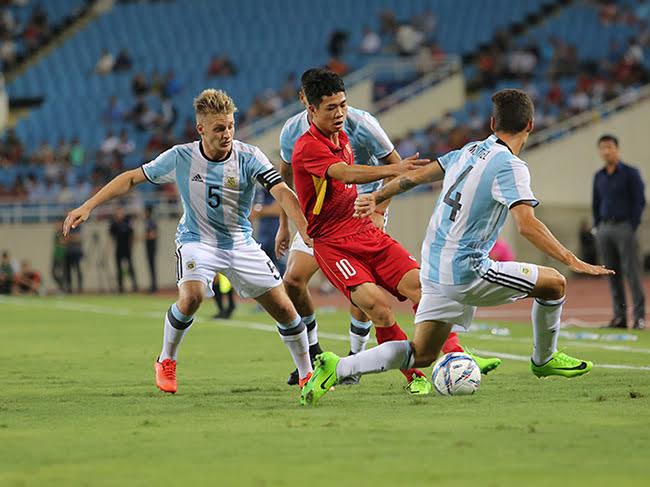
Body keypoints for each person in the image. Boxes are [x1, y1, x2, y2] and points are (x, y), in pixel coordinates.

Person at [302, 88, 613, 406]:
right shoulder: (511, 166)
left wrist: (376, 197)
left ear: (492, 123)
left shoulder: (468, 151)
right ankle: (544, 359)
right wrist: (571, 259)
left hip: (434, 267)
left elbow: (417, 177)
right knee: (555, 283)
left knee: (423, 353)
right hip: (466, 269)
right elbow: (526, 225)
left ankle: (338, 367)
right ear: (530, 125)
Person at [63, 88, 314, 394]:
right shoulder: (181, 157)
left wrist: (303, 226)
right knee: (192, 296)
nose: (227, 134)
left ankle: (307, 373)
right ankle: (166, 359)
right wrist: (88, 206)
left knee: (285, 310)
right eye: (219, 128)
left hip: (240, 243)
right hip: (197, 241)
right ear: (201, 129)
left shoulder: (249, 156)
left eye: (230, 126)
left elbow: (282, 192)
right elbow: (131, 178)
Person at [278, 69, 501, 386]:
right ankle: (409, 376)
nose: (340, 113)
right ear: (309, 107)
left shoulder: (350, 132)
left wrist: (379, 206)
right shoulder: (305, 144)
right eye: (331, 108)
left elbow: (362, 172)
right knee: (374, 306)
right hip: (331, 239)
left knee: (425, 288)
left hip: (364, 224)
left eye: (343, 105)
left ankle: (455, 354)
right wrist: (395, 169)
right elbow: (344, 174)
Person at [592, 134, 646, 329]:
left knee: (632, 273)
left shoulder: (631, 173)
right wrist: (597, 226)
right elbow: (596, 203)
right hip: (604, 228)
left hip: (625, 227)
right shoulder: (599, 176)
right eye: (603, 148)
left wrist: (632, 225)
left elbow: (639, 201)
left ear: (617, 149)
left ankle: (639, 317)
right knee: (611, 274)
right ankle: (619, 317)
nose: (606, 151)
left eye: (610, 147)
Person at [109, 206, 139, 294]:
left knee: (130, 267)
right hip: (119, 249)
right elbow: (110, 237)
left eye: (120, 213)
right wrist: (109, 249)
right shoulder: (114, 224)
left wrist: (132, 246)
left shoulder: (127, 222)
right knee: (119, 269)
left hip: (127, 249)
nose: (119, 215)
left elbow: (132, 235)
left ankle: (135, 286)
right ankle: (121, 287)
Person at [63, 225, 83, 294]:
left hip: (76, 252)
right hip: (68, 252)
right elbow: (63, 239)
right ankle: (69, 288)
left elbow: (78, 238)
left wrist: (69, 237)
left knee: (78, 270)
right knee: (68, 271)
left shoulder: (77, 226)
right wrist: (71, 238)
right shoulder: (67, 225)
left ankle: (80, 288)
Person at [144, 205, 158, 293]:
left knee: (152, 266)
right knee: (151, 266)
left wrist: (143, 237)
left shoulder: (151, 222)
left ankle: (154, 286)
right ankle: (153, 285)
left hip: (151, 246)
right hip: (149, 246)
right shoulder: (148, 221)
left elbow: (153, 234)